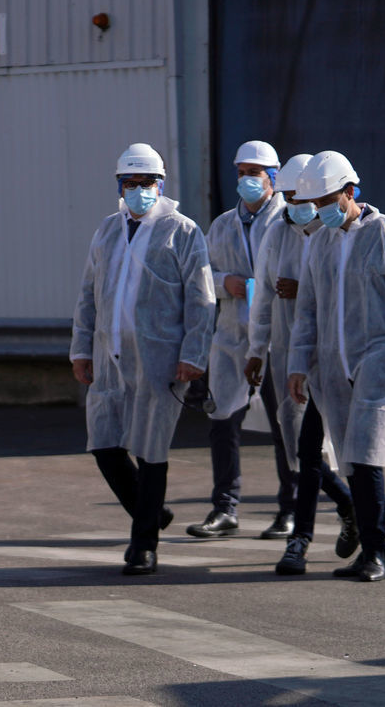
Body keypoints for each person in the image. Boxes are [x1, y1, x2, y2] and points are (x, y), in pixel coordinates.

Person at [287, 151, 385, 582]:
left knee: (366, 457)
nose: (320, 211)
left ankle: (375, 554)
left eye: (326, 201)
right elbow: (308, 311)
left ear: (350, 192)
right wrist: (299, 365)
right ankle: (372, 551)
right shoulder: (320, 243)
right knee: (351, 462)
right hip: (333, 367)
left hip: (381, 362)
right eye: (315, 204)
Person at [71, 143, 215, 576]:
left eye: (146, 183)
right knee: (104, 444)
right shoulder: (108, 230)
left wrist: (193, 354)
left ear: (161, 184)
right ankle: (150, 511)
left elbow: (202, 299)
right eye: (129, 183)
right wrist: (81, 349)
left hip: (161, 358)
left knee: (151, 449)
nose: (138, 191)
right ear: (119, 186)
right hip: (108, 357)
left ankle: (143, 546)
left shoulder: (182, 231)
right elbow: (88, 294)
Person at [244, 153, 358, 575]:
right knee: (301, 450)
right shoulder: (278, 233)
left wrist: (303, 289)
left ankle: (307, 537)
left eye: (300, 197)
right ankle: (341, 510)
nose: (295, 204)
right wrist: (256, 349)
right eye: (289, 197)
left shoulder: (336, 233)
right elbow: (262, 296)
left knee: (341, 452)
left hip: (337, 359)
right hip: (293, 357)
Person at [187, 140, 293, 540]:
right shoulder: (222, 225)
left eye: (255, 173)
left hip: (278, 338)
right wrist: (224, 283)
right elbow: (201, 277)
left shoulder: (288, 220)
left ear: (273, 177)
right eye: (242, 172)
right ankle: (224, 508)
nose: (247, 179)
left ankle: (290, 509)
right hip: (232, 336)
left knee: (285, 425)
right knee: (222, 421)